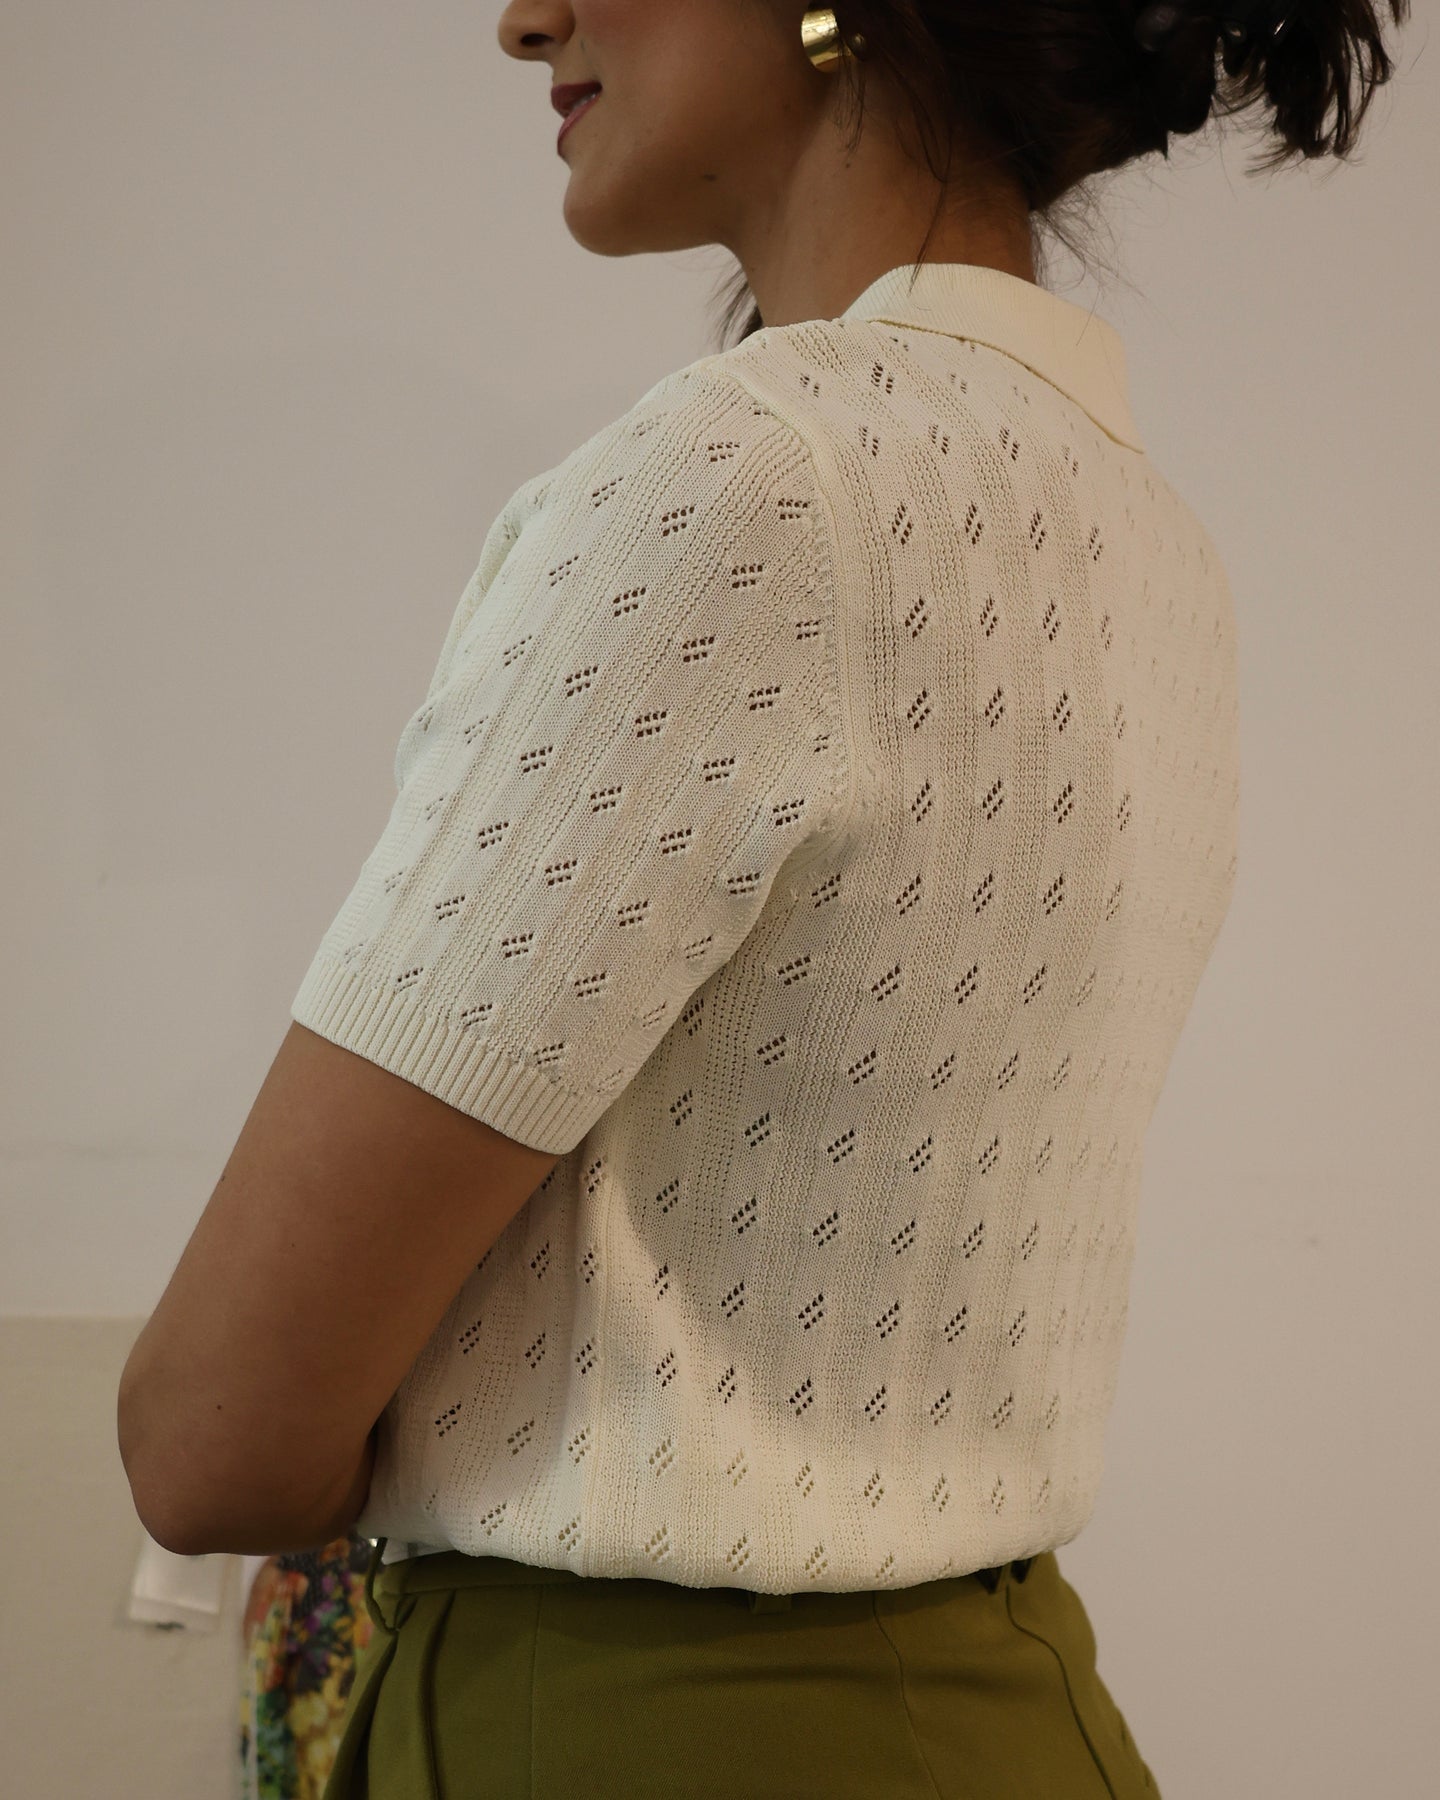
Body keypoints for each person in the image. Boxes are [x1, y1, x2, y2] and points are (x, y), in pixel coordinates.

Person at [295, 3, 1409, 1795]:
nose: (522, 20)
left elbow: (212, 1430)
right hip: (1015, 1710)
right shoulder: (1147, 541)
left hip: (649, 1739)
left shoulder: (745, 476)